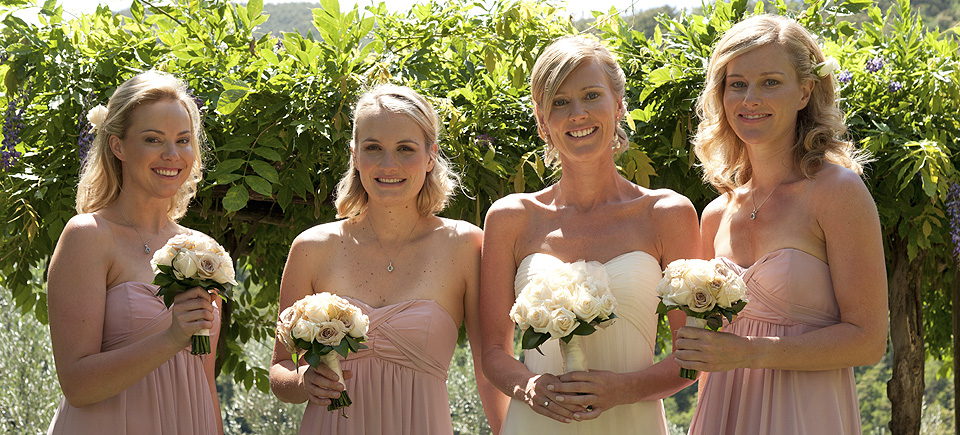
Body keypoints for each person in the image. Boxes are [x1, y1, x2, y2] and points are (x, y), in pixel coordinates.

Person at [478, 35, 701, 434]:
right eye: (559, 102)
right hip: (536, 424)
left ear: (618, 106)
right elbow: (495, 351)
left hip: (633, 423)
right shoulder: (510, 218)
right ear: (543, 121)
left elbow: (693, 355)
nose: (577, 114)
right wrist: (528, 387)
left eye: (591, 95)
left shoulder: (667, 214)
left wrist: (625, 389)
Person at [678, 15, 888, 435]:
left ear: (804, 91)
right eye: (737, 84)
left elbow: (868, 340)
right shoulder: (717, 214)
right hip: (725, 412)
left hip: (805, 414)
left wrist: (750, 353)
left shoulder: (837, 192)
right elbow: (709, 349)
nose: (750, 98)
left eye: (770, 82)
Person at [269, 84, 509, 434]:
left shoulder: (466, 245)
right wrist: (304, 381)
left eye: (405, 149)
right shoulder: (311, 247)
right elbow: (280, 370)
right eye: (373, 148)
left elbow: (489, 372)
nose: (388, 164)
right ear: (354, 155)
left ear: (431, 156)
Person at [46, 70, 222, 434]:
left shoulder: (200, 249)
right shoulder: (89, 236)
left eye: (183, 140)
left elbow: (204, 381)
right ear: (118, 146)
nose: (172, 155)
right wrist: (171, 337)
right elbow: (77, 386)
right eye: (153, 139)